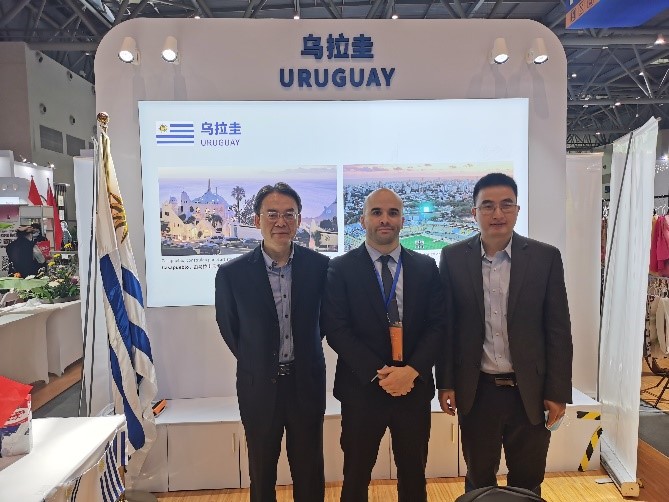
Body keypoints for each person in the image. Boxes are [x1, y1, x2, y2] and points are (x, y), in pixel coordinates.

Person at [436, 172, 573, 496]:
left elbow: (558, 330)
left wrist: (557, 391)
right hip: (477, 391)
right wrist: (446, 382)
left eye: (506, 204)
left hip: (530, 392)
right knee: (479, 478)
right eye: (488, 206)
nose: (497, 213)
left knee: (527, 480)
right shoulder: (453, 258)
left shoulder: (545, 258)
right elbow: (447, 327)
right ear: (474, 212)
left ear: (517, 210)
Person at [322, 188, 448, 502]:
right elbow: (337, 329)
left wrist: (412, 371)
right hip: (362, 390)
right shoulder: (340, 268)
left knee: (413, 476)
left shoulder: (425, 267)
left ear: (403, 220)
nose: (385, 219)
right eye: (377, 212)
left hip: (413, 390)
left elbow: (439, 325)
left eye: (393, 213)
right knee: (355, 477)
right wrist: (381, 374)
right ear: (363, 219)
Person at [215, 182, 329, 502]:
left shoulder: (320, 267)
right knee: (262, 472)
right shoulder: (232, 274)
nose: (281, 221)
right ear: (257, 220)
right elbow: (230, 328)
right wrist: (261, 358)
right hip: (259, 387)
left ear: (299, 219)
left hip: (305, 383)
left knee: (309, 470)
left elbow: (324, 322)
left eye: (289, 214)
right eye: (272, 214)